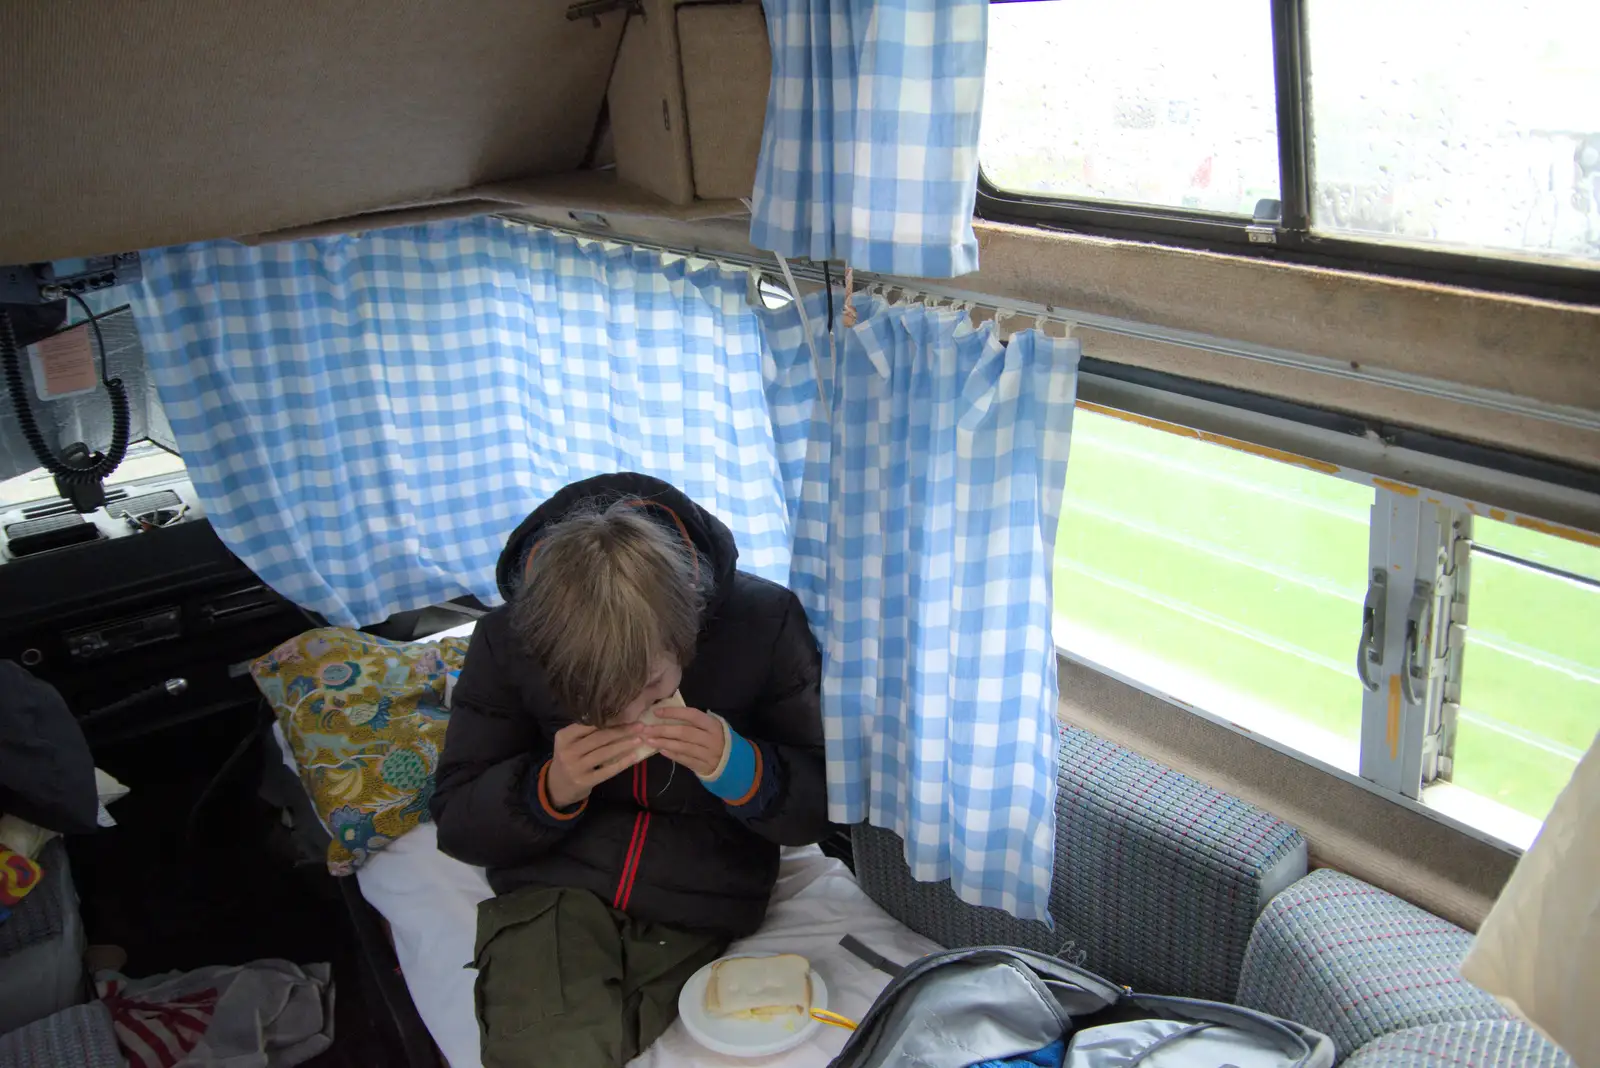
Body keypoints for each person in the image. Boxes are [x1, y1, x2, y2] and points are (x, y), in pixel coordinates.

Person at [430, 472, 829, 1068]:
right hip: (553, 894)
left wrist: (742, 769)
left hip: (703, 901)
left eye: (649, 686)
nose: (625, 715)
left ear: (686, 635)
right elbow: (456, 821)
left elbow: (824, 805)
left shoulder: (764, 622)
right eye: (588, 696)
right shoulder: (505, 638)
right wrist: (550, 788)